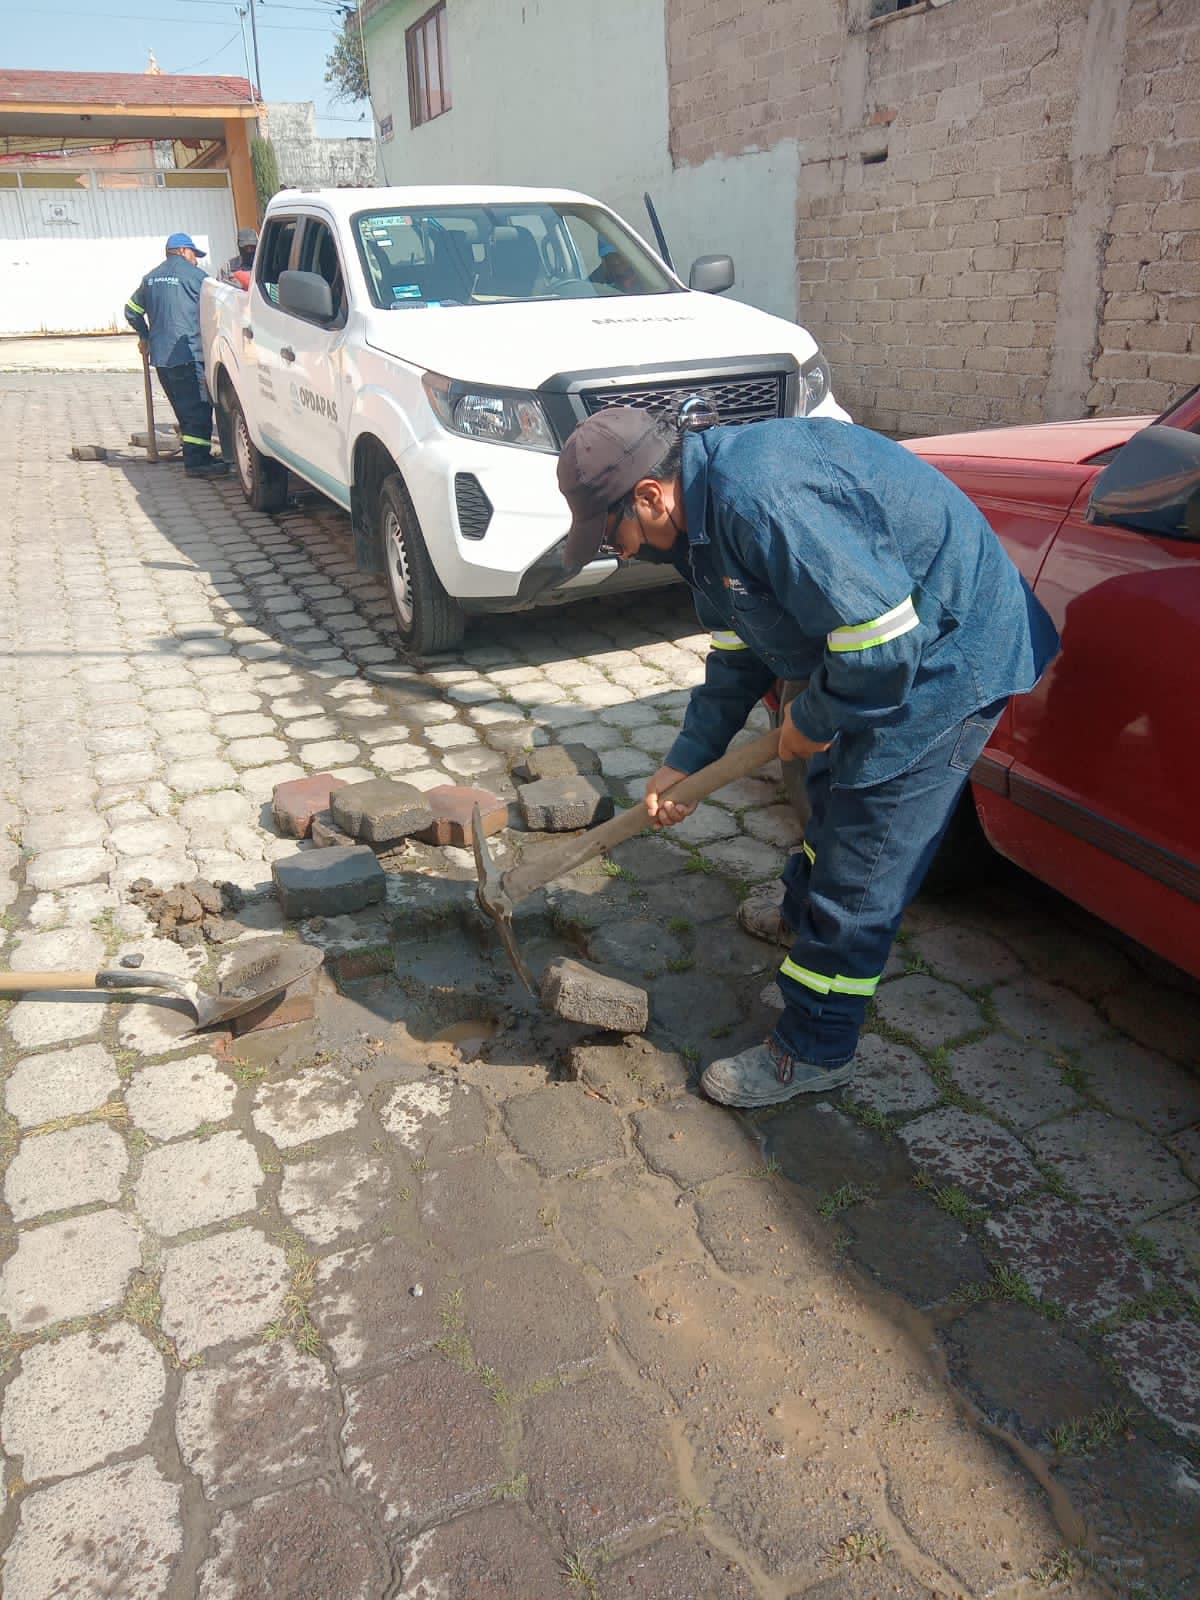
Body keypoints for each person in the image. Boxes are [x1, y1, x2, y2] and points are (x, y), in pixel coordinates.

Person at [556, 407, 1059, 1109]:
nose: (624, 552)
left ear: (649, 495)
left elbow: (885, 646)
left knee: (863, 856)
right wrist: (687, 759)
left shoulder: (760, 497)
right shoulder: (698, 528)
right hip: (877, 650)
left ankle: (815, 1047)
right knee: (828, 789)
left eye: (615, 535)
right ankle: (801, 912)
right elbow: (737, 651)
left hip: (948, 654)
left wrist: (812, 718)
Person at [125, 232, 228, 479]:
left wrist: (145, 335)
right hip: (188, 354)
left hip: (161, 358)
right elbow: (219, 312)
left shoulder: (150, 279)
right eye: (194, 255)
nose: (196, 260)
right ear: (183, 251)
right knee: (199, 409)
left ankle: (195, 453)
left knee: (184, 409)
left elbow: (131, 310)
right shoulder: (198, 279)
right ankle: (196, 463)